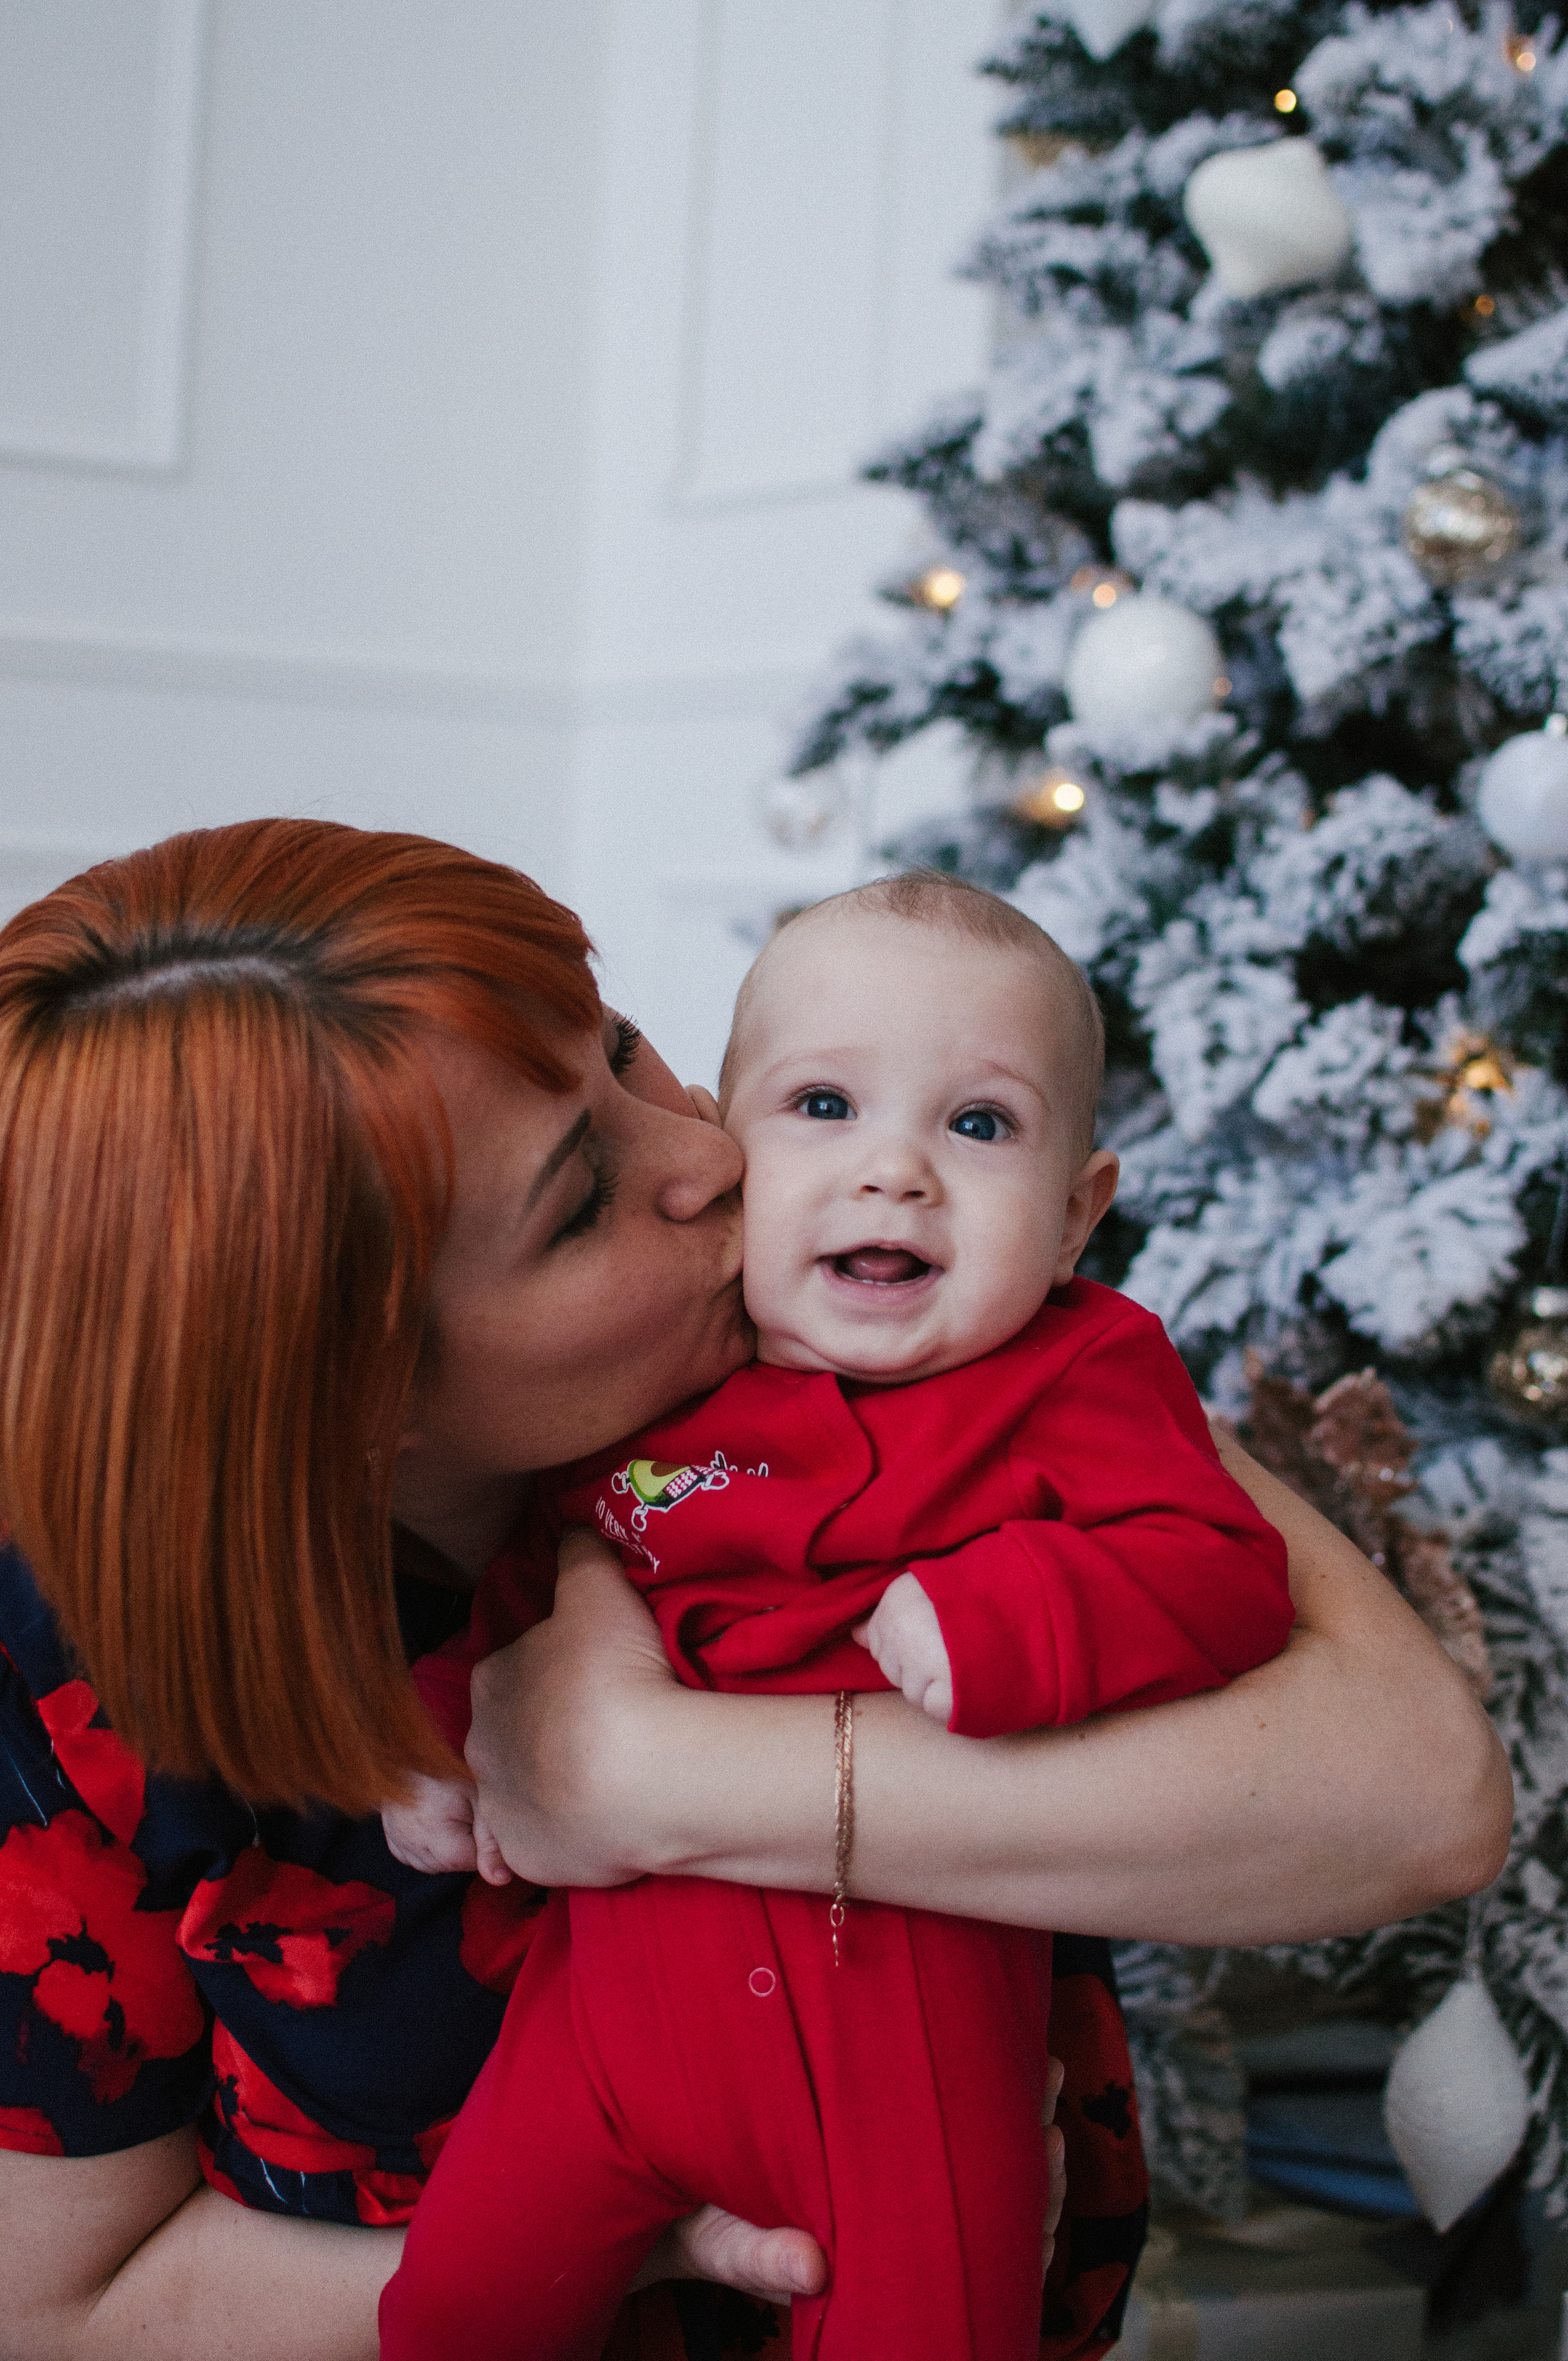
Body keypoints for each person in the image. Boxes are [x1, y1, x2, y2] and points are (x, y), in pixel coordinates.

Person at [0, 821, 1512, 2361]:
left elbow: (1421, 1792)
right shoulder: (61, 1687)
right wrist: (661, 2242)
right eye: (578, 1203)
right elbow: (65, 2311)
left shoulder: (939, 1332)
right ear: (346, 1402)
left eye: (625, 1050)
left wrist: (643, 1772)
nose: (711, 1153)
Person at [378, 875, 1297, 2360]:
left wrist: (1010, 1616)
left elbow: (1217, 1563)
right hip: (607, 2024)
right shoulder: (663, 1376)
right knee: (449, 2314)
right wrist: (436, 1740)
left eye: (978, 1124)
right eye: (822, 1106)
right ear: (737, 1155)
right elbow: (536, 1592)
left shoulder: (1078, 1374)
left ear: (1075, 1215)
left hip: (906, 2052)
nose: (893, 1174)